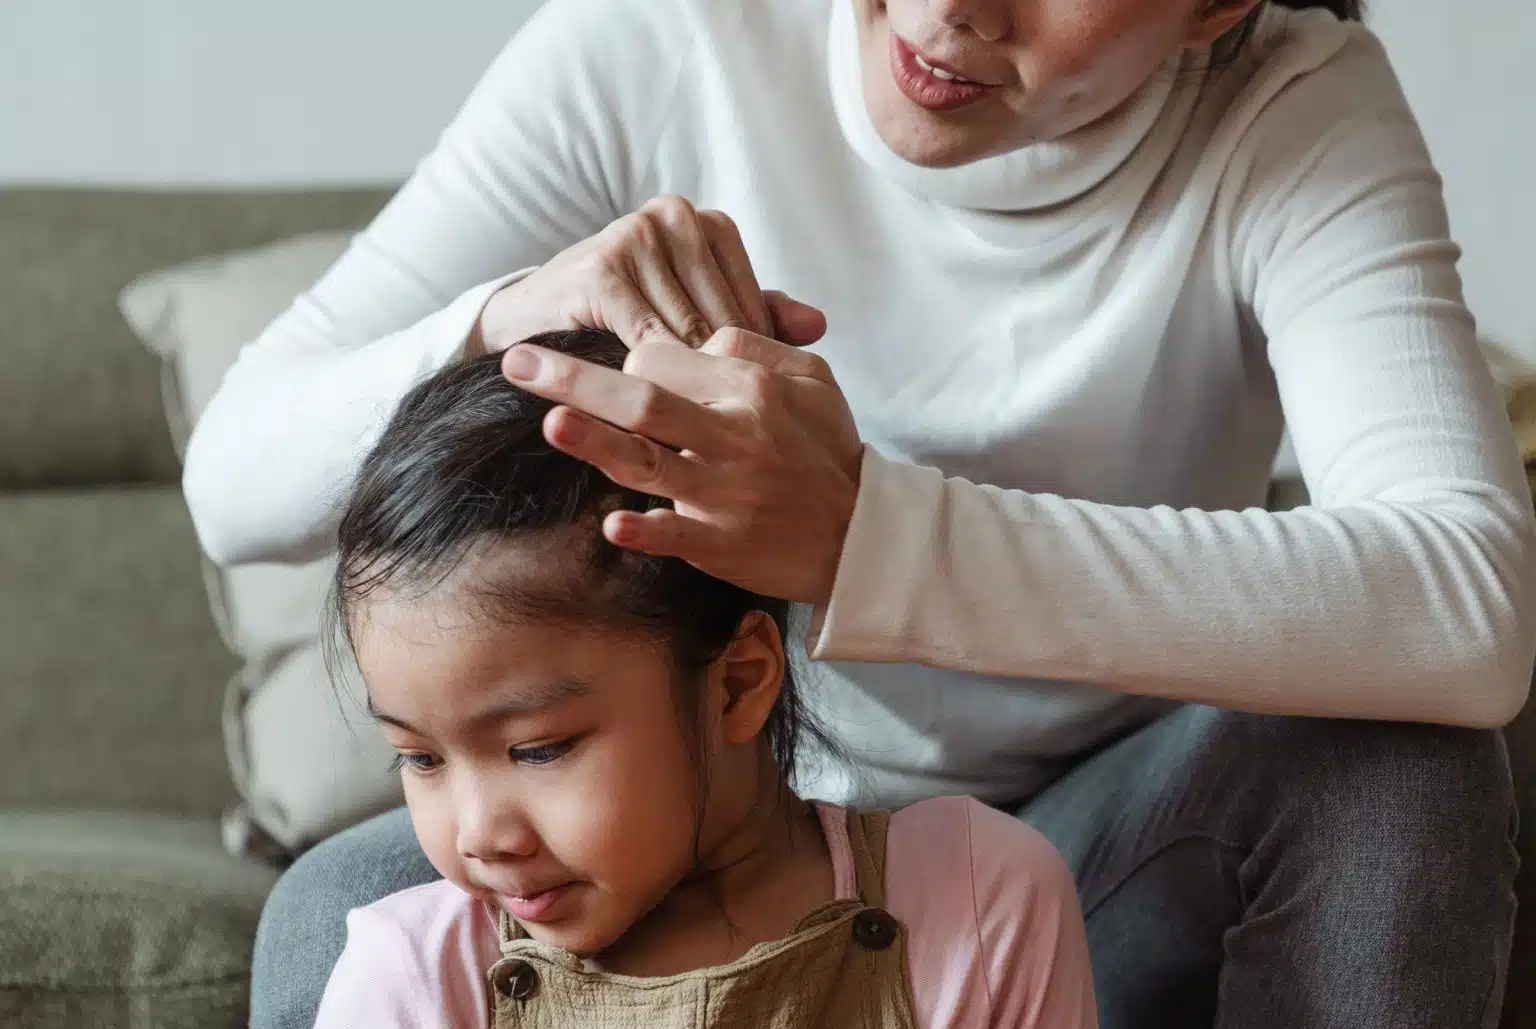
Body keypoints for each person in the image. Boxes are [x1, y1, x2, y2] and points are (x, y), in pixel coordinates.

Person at [183, 0, 1531, 1026]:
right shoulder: (671, 39)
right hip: (713, 808)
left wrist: (867, 538)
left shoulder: (1290, 110)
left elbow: (1465, 606)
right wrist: (505, 311)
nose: (956, 12)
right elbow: (236, 478)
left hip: (1103, 848)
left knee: (1409, 765)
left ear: (1218, 12)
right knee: (334, 913)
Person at [308, 330, 1096, 1028]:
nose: (478, 835)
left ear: (737, 683)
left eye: (538, 749)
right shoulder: (412, 982)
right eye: (420, 758)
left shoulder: (975, 905)